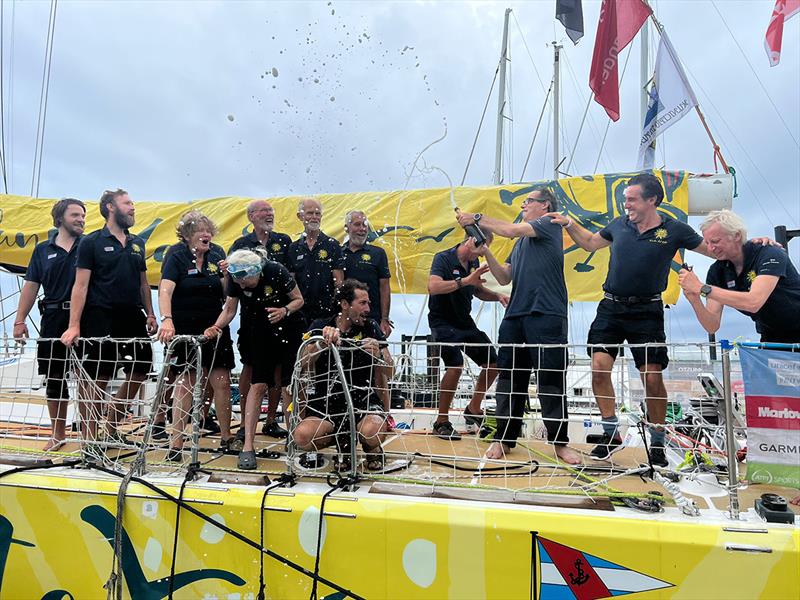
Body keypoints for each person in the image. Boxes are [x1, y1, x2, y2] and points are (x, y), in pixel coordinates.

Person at [548, 173, 714, 467]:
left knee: (652, 378)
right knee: (599, 368)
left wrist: (752, 246)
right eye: (625, 199)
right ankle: (611, 433)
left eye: (632, 199)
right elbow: (588, 244)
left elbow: (713, 250)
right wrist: (570, 224)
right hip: (610, 308)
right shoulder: (619, 225)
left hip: (647, 312)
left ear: (652, 200)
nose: (626, 204)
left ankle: (658, 443)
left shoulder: (674, 230)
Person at [457, 187, 581, 464]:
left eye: (528, 201)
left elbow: (511, 229)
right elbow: (503, 277)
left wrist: (476, 218)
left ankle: (559, 443)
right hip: (515, 315)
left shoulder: (549, 224)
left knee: (550, 380)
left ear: (544, 205)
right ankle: (504, 439)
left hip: (547, 314)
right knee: (510, 380)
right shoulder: (521, 244)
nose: (524, 205)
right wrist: (486, 251)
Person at [61, 189, 157, 444]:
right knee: (97, 374)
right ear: (111, 207)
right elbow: (80, 285)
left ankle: (112, 423)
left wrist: (150, 312)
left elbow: (143, 283)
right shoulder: (91, 242)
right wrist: (74, 325)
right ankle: (90, 440)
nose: (133, 207)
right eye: (127, 203)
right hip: (100, 314)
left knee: (142, 367)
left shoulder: (138, 243)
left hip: (132, 314)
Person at [204, 248, 304, 470]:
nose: (241, 285)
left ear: (257, 271)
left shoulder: (277, 271)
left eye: (245, 281)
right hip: (259, 330)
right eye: (236, 281)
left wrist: (284, 310)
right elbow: (229, 310)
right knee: (257, 385)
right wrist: (216, 326)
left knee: (288, 386)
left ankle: (293, 439)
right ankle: (247, 444)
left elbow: (299, 300)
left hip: (288, 329)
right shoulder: (235, 279)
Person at [157, 211, 235, 460]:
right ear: (188, 235)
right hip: (184, 327)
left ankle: (226, 437)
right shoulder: (176, 256)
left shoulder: (218, 254)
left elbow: (228, 294)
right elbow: (165, 290)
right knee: (184, 384)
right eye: (201, 230)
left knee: (221, 382)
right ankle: (176, 442)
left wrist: (227, 275)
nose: (207, 234)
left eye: (209, 229)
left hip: (215, 327)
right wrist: (166, 320)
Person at [295, 279, 392, 471]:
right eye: (363, 303)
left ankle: (370, 446)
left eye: (369, 303)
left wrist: (380, 355)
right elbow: (302, 364)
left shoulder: (371, 327)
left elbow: (391, 370)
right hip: (326, 403)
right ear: (345, 305)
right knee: (302, 436)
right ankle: (342, 446)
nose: (368, 309)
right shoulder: (320, 325)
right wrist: (321, 343)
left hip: (363, 402)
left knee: (372, 431)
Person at [14, 198, 86, 451]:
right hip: (53, 316)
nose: (81, 219)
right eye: (75, 215)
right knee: (55, 376)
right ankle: (58, 433)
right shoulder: (43, 250)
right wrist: (20, 320)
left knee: (88, 375)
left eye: (83, 215)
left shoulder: (88, 246)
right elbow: (31, 286)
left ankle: (89, 434)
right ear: (60, 219)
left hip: (86, 317)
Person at [427, 232, 507, 441]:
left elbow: (477, 290)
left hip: (464, 322)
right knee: (455, 365)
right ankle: (441, 421)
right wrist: (465, 281)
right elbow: (433, 287)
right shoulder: (443, 258)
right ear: (471, 241)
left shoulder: (474, 261)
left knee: (494, 362)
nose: (484, 253)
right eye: (484, 248)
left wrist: (498, 296)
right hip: (442, 321)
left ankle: (473, 408)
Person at [679, 209, 800, 344]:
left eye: (715, 241)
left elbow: (753, 302)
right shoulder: (717, 271)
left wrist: (702, 288)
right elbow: (712, 326)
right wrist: (695, 298)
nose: (710, 248)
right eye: (707, 243)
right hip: (771, 336)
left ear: (736, 235)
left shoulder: (769, 253)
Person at [228, 200, 293, 443]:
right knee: (250, 368)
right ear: (251, 217)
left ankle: (271, 421)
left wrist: (286, 308)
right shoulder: (240, 244)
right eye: (264, 211)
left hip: (280, 316)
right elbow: (232, 278)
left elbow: (291, 276)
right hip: (251, 318)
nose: (269, 214)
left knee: (279, 373)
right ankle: (246, 422)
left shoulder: (283, 241)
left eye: (271, 211)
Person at [286, 198, 343, 321]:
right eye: (310, 213)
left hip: (326, 314)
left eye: (317, 214)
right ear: (300, 216)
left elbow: (339, 282)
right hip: (300, 314)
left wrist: (336, 309)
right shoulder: (293, 248)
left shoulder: (332, 245)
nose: (314, 217)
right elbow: (290, 282)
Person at [340, 210, 393, 337]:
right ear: (347, 227)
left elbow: (384, 288)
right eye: (357, 225)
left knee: (375, 355)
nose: (362, 229)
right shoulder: (338, 253)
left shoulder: (378, 253)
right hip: (346, 320)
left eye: (365, 225)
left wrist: (384, 319)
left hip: (372, 318)